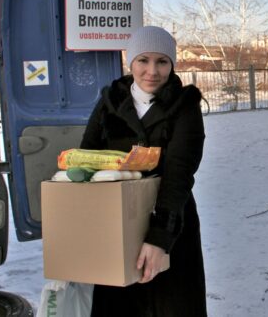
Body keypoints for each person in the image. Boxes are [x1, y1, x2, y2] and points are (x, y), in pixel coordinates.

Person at [80, 26, 207, 317]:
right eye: (143, 60)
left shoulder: (185, 106)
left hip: (171, 222)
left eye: (162, 61)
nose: (152, 71)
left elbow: (179, 174)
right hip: (117, 224)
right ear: (131, 61)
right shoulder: (110, 102)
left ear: (172, 64)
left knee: (170, 305)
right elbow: (88, 158)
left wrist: (159, 239)